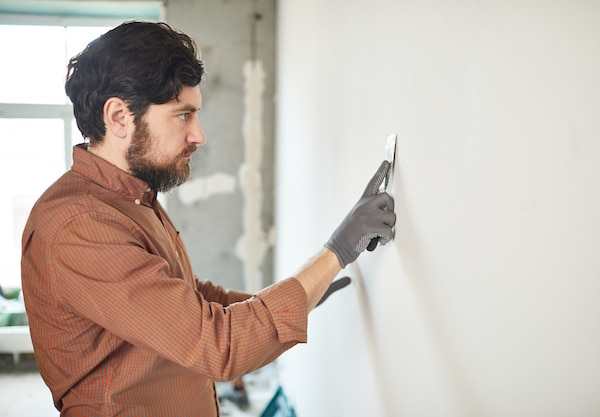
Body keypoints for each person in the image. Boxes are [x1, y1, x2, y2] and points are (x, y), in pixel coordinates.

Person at [20, 21, 395, 417]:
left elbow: (190, 297)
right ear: (119, 117)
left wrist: (304, 294)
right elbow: (218, 346)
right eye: (183, 115)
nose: (199, 135)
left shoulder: (132, 196)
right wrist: (335, 251)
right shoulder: (81, 226)